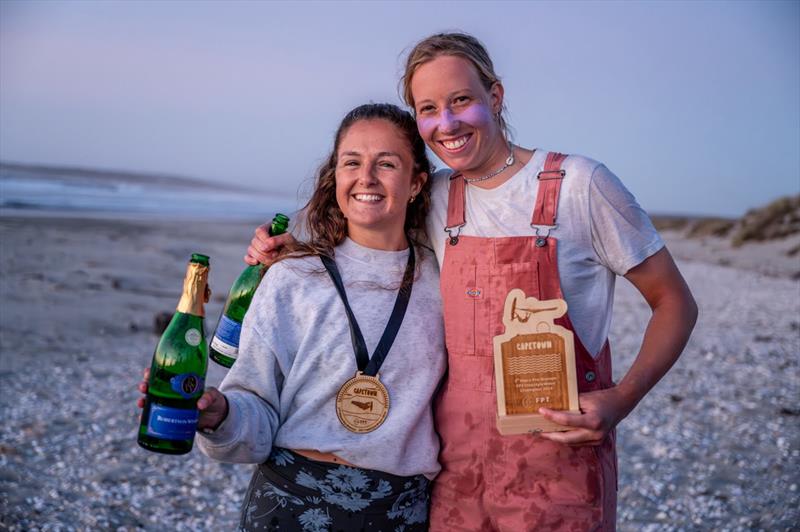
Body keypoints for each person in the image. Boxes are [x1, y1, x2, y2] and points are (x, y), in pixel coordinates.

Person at [247, 33, 698, 531]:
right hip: (456, 476)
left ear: (496, 97)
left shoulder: (579, 185)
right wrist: (295, 254)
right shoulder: (436, 198)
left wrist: (621, 400)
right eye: (428, 109)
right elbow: (368, 239)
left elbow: (674, 301)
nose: (447, 124)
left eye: (461, 101)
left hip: (558, 470)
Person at [140, 103, 446, 531]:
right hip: (289, 504)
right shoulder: (292, 276)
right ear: (335, 176)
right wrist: (220, 414)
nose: (366, 177)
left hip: (398, 514)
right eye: (351, 162)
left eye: (387, 163)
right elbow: (257, 407)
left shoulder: (448, 281)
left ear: (416, 183)